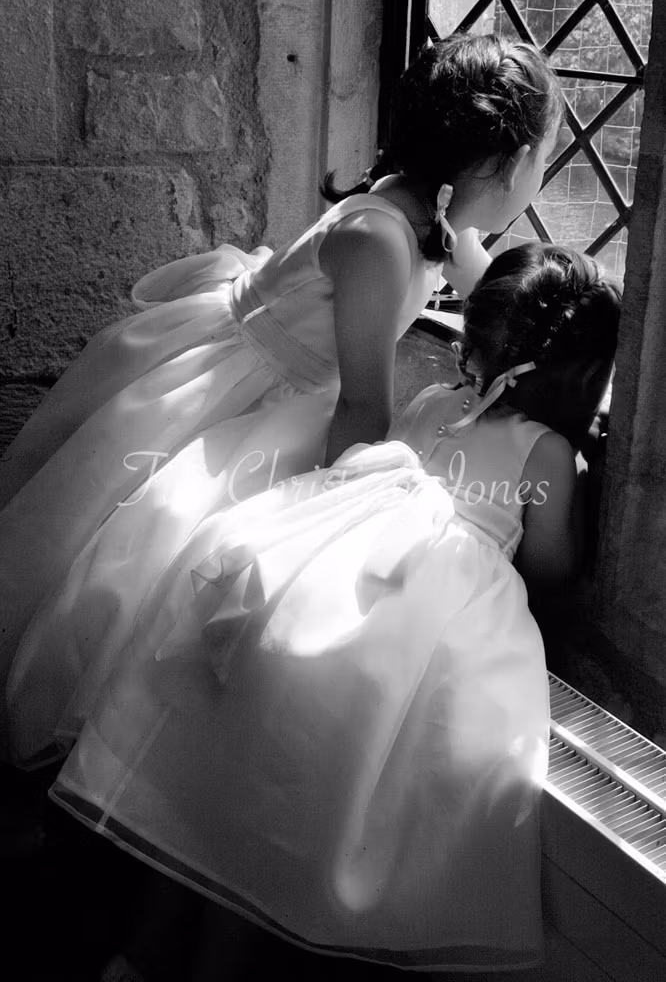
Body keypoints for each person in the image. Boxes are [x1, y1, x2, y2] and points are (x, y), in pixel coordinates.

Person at [48, 243, 621, 979]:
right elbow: (550, 568)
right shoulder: (544, 454)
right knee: (283, 828)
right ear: (583, 375)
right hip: (396, 641)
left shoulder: (428, 404)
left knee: (211, 798)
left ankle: (139, 955)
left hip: (314, 581)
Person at [0, 32, 564, 764]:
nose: (542, 174)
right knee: (148, 551)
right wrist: (339, 527)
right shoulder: (381, 241)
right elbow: (364, 405)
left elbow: (490, 291)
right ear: (514, 162)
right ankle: (99, 735)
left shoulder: (434, 212)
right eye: (545, 157)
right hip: (247, 399)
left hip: (290, 385)